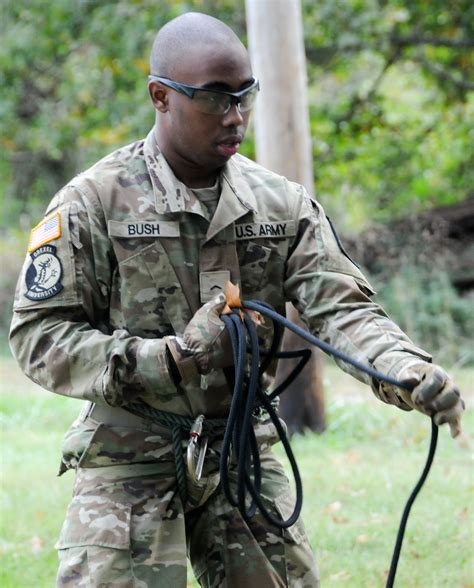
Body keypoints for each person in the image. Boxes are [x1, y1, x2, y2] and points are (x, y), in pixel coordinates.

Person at [9, 11, 464, 588]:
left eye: (244, 96)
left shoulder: (280, 205)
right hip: (131, 453)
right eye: (214, 98)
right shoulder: (95, 202)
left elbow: (343, 308)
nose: (236, 115)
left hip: (239, 450)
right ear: (160, 97)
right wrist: (172, 356)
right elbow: (39, 335)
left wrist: (402, 368)